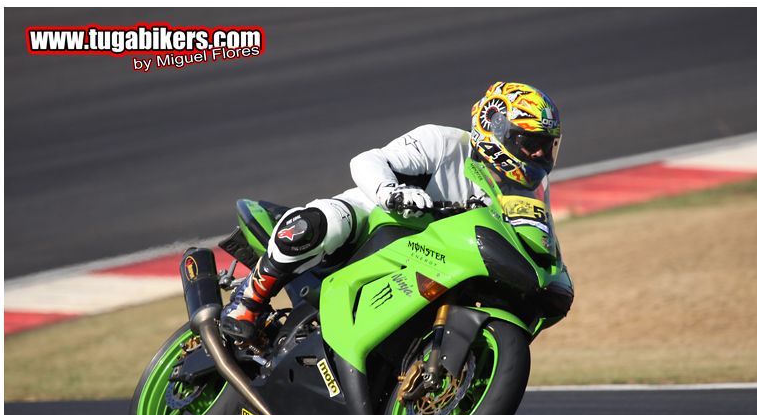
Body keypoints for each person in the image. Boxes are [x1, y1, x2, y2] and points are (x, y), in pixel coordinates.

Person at [220, 81, 570, 342]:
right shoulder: (444, 143)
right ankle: (248, 299)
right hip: (377, 221)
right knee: (324, 223)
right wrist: (393, 193)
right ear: (496, 129)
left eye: (546, 146)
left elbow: (536, 233)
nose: (539, 155)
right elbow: (368, 161)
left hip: (438, 259)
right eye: (530, 143)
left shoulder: (529, 190)